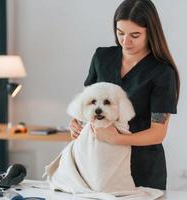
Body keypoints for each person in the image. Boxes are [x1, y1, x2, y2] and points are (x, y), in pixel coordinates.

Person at [69, 0, 180, 190]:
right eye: (120, 33)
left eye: (135, 35)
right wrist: (75, 123)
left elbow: (158, 132)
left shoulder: (162, 73)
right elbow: (87, 101)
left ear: (150, 33)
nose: (125, 41)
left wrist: (117, 139)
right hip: (98, 165)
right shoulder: (101, 58)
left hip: (142, 171)